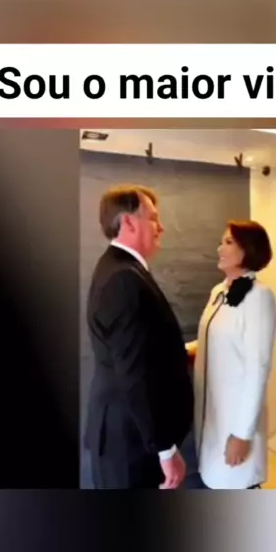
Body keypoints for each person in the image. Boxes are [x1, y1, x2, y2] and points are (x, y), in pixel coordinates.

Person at [84, 185, 194, 489]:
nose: (161, 227)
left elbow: (137, 350)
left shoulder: (119, 269)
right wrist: (165, 449)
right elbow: (134, 372)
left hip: (128, 437)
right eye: (154, 218)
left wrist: (179, 352)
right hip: (131, 444)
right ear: (129, 222)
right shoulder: (124, 279)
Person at [187, 221, 276, 489]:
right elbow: (213, 338)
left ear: (248, 249)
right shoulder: (219, 291)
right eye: (221, 242)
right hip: (211, 415)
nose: (219, 249)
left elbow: (258, 368)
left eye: (228, 242)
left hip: (235, 420)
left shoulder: (259, 297)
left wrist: (242, 434)